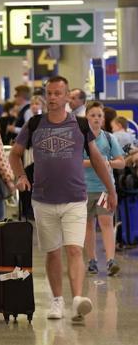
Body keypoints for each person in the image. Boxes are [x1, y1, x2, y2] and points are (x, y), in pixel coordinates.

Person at [9, 75, 118, 323]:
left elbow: (99, 161)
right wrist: (20, 177)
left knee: (73, 249)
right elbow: (14, 155)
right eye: (49, 93)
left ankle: (77, 299)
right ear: (45, 96)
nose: (53, 98)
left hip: (75, 198)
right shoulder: (34, 124)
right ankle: (57, 300)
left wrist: (110, 191)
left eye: (58, 93)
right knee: (53, 252)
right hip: (43, 199)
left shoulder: (80, 125)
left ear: (67, 96)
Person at [83, 102, 124, 276]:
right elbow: (75, 162)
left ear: (104, 118)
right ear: (86, 117)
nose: (96, 119)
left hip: (104, 188)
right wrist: (96, 162)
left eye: (99, 115)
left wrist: (108, 162)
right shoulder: (80, 139)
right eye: (92, 115)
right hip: (83, 189)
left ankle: (110, 260)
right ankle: (92, 260)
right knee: (88, 225)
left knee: (106, 222)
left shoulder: (109, 138)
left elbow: (121, 162)